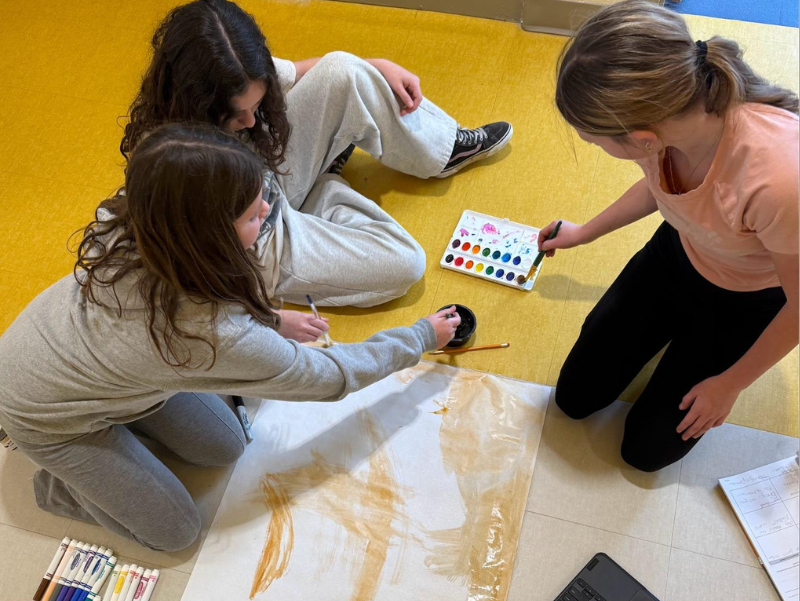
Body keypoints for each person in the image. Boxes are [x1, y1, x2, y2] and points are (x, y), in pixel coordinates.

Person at [0, 125, 460, 552]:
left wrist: (274, 322)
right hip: (45, 416)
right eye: (250, 214)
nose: (267, 212)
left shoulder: (144, 213)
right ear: (206, 239)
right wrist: (419, 336)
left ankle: (120, 418)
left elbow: (217, 309)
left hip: (89, 366)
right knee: (175, 532)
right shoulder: (204, 335)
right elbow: (330, 376)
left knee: (225, 446)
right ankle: (61, 483)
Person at [120, 0, 513, 316]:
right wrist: (270, 318)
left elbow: (302, 73)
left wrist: (372, 67)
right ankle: (319, 190)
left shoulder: (235, 71)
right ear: (199, 101)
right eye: (234, 115)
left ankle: (440, 149)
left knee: (343, 68)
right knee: (406, 263)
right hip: (259, 232)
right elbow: (197, 264)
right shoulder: (172, 158)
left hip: (264, 180)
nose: (251, 119)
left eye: (256, 104)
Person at [537, 0, 798, 472]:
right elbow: (662, 190)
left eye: (595, 142)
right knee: (574, 399)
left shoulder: (779, 179)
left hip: (747, 302)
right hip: (675, 258)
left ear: (643, 139)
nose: (593, 147)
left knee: (644, 453)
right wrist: (583, 234)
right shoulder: (668, 122)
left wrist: (730, 384)